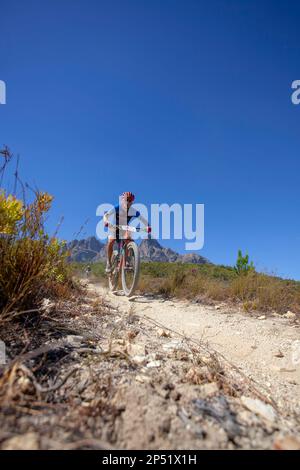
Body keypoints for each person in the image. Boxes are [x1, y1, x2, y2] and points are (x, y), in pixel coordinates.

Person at [103, 192, 151, 273]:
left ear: (132, 202)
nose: (128, 202)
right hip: (115, 227)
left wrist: (148, 227)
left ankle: (127, 261)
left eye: (130, 201)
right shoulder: (117, 207)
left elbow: (143, 220)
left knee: (128, 239)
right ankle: (109, 262)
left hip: (124, 228)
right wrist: (106, 221)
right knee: (111, 240)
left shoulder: (133, 211)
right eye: (126, 200)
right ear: (122, 200)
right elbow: (106, 215)